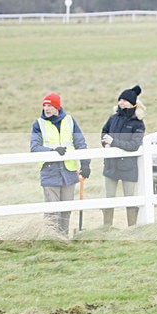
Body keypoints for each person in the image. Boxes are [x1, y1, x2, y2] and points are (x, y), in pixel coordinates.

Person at [30, 92, 90, 236]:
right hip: (50, 171)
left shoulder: (70, 121)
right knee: (52, 211)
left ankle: (63, 239)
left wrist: (85, 164)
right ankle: (51, 239)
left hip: (69, 172)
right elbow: (34, 147)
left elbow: (80, 143)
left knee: (66, 209)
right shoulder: (38, 124)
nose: (46, 109)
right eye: (45, 106)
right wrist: (52, 151)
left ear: (57, 107)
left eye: (50, 105)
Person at [100, 85, 146, 227]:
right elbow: (104, 132)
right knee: (109, 198)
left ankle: (132, 228)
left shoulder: (138, 124)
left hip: (128, 167)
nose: (121, 103)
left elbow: (134, 145)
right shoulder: (113, 118)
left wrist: (113, 142)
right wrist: (105, 143)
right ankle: (107, 228)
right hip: (111, 166)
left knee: (130, 199)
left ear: (132, 103)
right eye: (120, 100)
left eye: (125, 100)